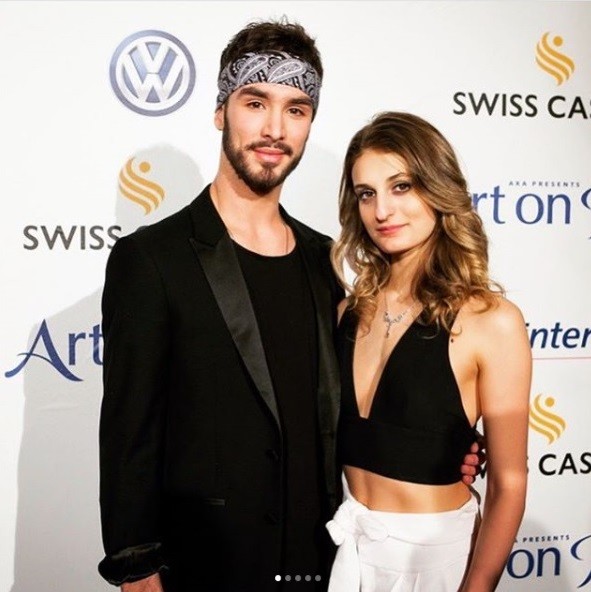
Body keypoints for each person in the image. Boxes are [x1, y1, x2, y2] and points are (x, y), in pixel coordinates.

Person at [98, 21, 482, 592]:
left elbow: (344, 407)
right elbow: (128, 434)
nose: (275, 129)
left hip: (319, 563)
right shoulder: (152, 260)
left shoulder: (325, 262)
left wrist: (442, 445)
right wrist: (137, 568)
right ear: (221, 111)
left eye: (296, 109)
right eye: (256, 103)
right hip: (203, 567)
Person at [326, 111, 532, 592]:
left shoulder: (491, 320)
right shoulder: (347, 312)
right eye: (366, 193)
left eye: (401, 186)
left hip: (436, 562)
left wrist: (477, 585)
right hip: (349, 552)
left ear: (437, 188)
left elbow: (509, 482)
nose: (382, 211)